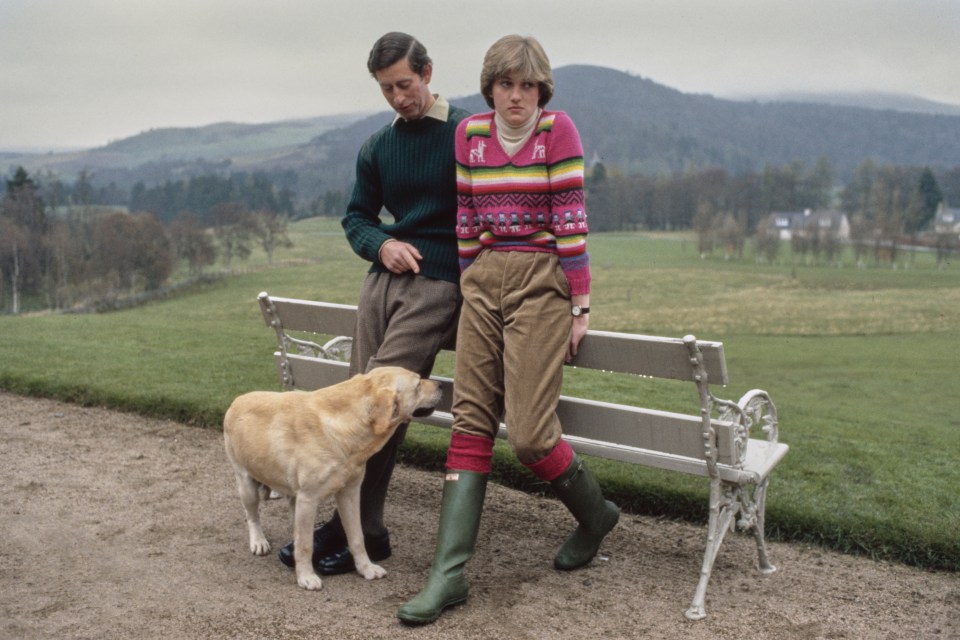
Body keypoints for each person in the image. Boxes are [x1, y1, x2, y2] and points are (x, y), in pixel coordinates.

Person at [397, 34, 619, 625]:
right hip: (484, 281)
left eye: (526, 86)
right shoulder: (470, 136)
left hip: (543, 279)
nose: (515, 96)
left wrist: (580, 304)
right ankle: (448, 576)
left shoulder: (557, 132)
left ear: (541, 89)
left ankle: (596, 515)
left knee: (528, 436)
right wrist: (472, 282)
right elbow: (466, 217)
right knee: (468, 418)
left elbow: (571, 221)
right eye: (504, 84)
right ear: (489, 87)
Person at [277, 32, 470, 575]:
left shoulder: (467, 133)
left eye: (405, 84)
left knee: (381, 409)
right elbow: (356, 217)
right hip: (380, 282)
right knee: (360, 399)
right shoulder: (378, 146)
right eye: (387, 89)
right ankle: (355, 521)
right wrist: (381, 243)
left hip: (439, 285)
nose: (398, 98)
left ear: (428, 73)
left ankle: (362, 527)